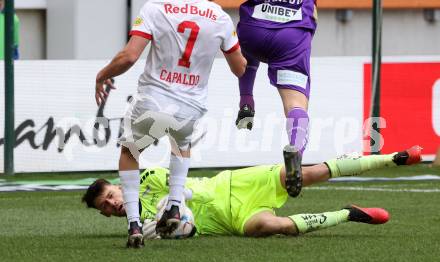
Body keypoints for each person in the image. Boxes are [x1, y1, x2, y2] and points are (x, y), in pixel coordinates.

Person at [94, 0, 246, 247]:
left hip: (153, 100)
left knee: (130, 152)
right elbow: (240, 68)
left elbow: (129, 56)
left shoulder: (156, 8)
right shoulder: (220, 17)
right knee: (181, 143)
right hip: (190, 107)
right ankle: (175, 206)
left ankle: (134, 224)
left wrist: (102, 74)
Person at [83, 146, 421, 238]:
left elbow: (180, 190)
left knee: (306, 174)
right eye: (107, 208)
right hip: (231, 220)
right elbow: (179, 232)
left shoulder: (145, 179)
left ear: (117, 185)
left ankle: (394, 158)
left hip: (235, 184)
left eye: (110, 196)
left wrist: (170, 209)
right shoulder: (139, 227)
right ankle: (349, 213)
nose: (113, 204)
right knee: (274, 227)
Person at [234, 0, 318, 198]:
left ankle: (246, 100)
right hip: (291, 35)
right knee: (295, 104)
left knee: (247, 50)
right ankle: (296, 148)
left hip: (252, 28)